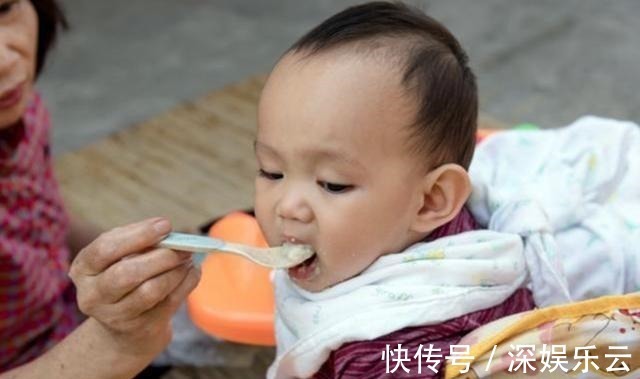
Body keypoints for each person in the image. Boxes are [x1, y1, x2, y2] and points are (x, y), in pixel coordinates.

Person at [253, 2, 536, 378]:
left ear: (432, 200)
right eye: (272, 172)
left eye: (332, 184)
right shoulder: (401, 227)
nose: (287, 206)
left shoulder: (381, 355)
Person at [0, 1, 199, 377]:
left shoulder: (20, 109)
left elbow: (43, 219)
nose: (5, 62)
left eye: (5, 8)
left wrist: (123, 254)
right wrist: (115, 344)